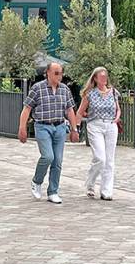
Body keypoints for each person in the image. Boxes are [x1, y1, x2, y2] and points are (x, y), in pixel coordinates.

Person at [17, 61, 79, 204]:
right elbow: (27, 108)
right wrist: (22, 128)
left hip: (60, 127)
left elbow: (70, 110)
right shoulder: (37, 88)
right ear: (48, 73)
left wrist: (75, 129)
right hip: (43, 126)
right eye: (56, 73)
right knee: (48, 156)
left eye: (61, 73)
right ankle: (37, 181)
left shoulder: (65, 89)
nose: (59, 76)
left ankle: (53, 191)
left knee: (57, 161)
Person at [77, 66, 121, 201]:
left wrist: (117, 118)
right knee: (100, 158)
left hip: (110, 125)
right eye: (100, 76)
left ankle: (106, 190)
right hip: (95, 124)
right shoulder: (90, 94)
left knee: (109, 159)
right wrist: (76, 128)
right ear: (95, 78)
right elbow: (80, 112)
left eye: (105, 76)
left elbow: (118, 109)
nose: (103, 79)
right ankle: (90, 183)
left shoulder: (113, 92)